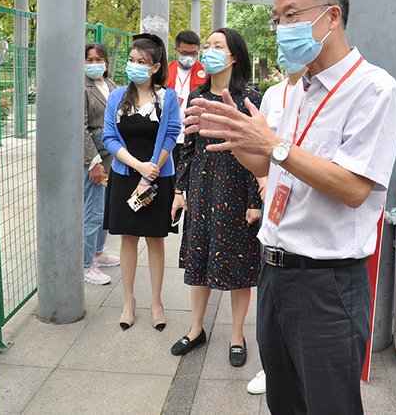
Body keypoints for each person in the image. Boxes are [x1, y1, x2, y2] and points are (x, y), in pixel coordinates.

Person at [182, 0, 396, 414]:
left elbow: (353, 188)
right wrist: (236, 139)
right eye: (277, 19)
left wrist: (274, 145)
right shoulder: (288, 91)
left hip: (327, 282)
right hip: (274, 271)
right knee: (283, 402)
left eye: (291, 15)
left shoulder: (373, 89)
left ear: (331, 16)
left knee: (329, 405)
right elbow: (266, 163)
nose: (282, 28)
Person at [170, 28, 263, 368]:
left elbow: (259, 153)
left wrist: (255, 201)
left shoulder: (250, 98)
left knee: (239, 263)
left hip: (237, 189)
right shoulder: (196, 95)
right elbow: (188, 147)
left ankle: (237, 335)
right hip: (202, 188)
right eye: (207, 45)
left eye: (217, 46)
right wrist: (179, 191)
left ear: (233, 56)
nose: (208, 50)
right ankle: (196, 329)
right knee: (199, 258)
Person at [102, 34, 181, 331]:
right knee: (128, 239)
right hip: (125, 176)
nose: (133, 66)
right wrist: (137, 167)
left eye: (141, 62)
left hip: (158, 177)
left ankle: (156, 302)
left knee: (155, 239)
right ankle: (128, 301)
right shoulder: (116, 97)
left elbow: (171, 134)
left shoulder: (167, 97)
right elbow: (109, 137)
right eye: (131, 60)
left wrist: (150, 174)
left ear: (155, 67)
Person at [247, 47, 307, 396]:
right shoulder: (273, 94)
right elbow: (261, 152)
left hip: (310, 217)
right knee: (271, 303)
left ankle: (298, 370)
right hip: (274, 209)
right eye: (280, 23)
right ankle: (271, 367)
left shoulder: (354, 89)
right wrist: (263, 179)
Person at [83, 42, 120, 285]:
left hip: (112, 159)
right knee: (93, 212)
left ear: (106, 62)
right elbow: (81, 128)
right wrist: (93, 162)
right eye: (90, 60)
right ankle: (86, 264)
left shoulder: (111, 85)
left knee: (105, 209)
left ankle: (98, 253)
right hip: (95, 160)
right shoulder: (82, 88)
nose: (95, 64)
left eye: (99, 59)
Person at [166, 31, 206, 177]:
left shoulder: (206, 73)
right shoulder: (165, 72)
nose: (189, 57)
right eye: (184, 53)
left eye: (193, 54)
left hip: (195, 137)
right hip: (170, 137)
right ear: (175, 50)